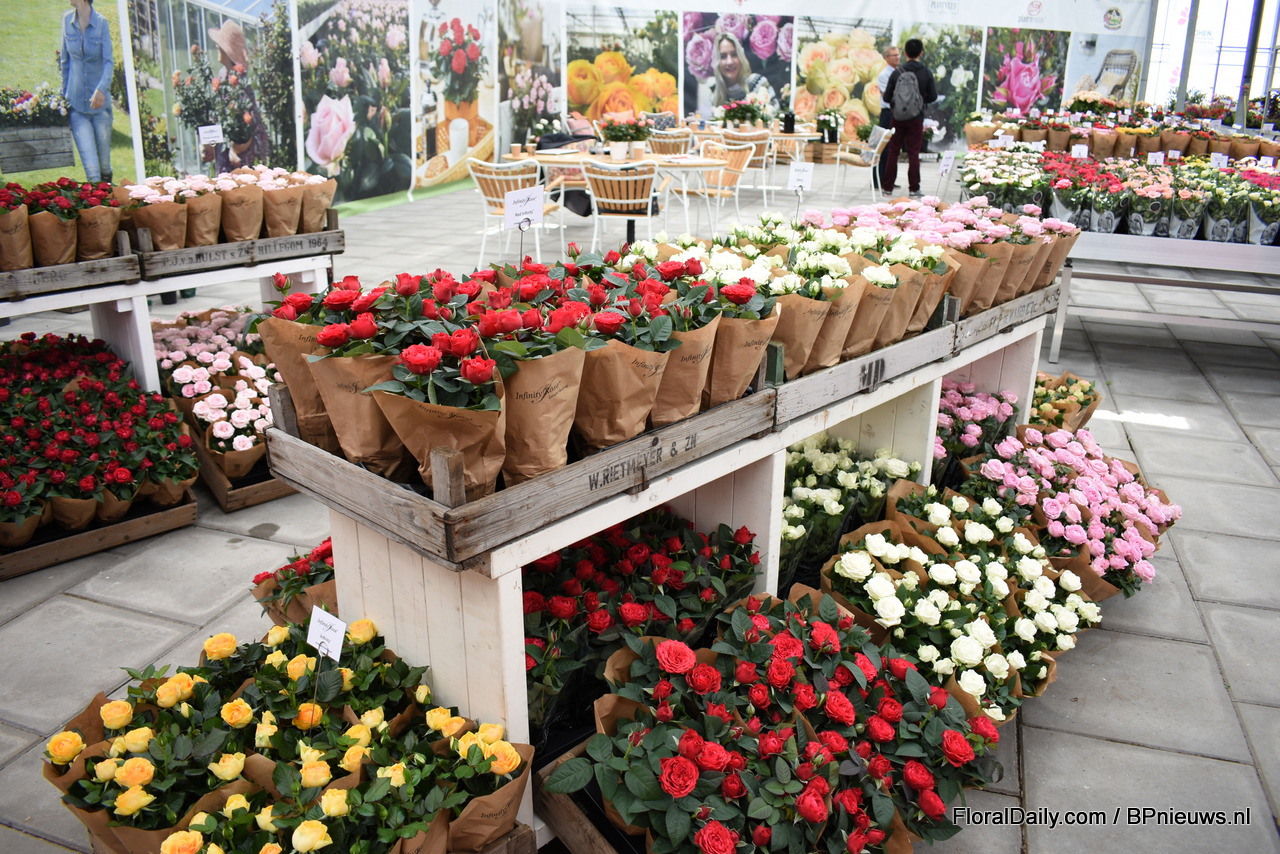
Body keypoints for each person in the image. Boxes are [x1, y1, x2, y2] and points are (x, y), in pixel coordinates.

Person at [60, 0, 114, 183]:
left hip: (100, 109)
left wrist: (102, 89)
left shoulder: (101, 23)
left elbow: (108, 62)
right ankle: (97, 198)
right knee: (92, 172)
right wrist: (64, 99)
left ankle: (109, 199)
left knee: (104, 167)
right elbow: (65, 62)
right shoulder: (67, 21)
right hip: (77, 107)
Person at [207, 20, 270, 171]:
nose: (217, 47)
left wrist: (236, 149)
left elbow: (249, 123)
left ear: (226, 51)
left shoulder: (240, 82)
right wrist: (208, 145)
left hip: (241, 155)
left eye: (219, 45)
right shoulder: (222, 75)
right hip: (225, 151)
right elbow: (218, 116)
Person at [881, 38, 937, 197]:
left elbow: (886, 98)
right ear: (921, 53)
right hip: (916, 118)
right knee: (913, 153)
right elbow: (933, 96)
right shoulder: (926, 72)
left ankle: (887, 187)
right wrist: (919, 101)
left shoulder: (897, 72)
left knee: (893, 151)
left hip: (897, 118)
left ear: (905, 53)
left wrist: (898, 103)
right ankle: (914, 188)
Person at [711, 32, 778, 112]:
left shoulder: (758, 83)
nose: (729, 62)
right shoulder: (715, 97)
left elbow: (776, 114)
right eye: (723, 56)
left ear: (741, 57)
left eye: (734, 54)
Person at [873, 45, 900, 191]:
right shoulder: (884, 75)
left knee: (894, 147)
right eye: (893, 55)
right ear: (886, 58)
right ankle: (878, 179)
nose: (897, 57)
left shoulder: (900, 72)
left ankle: (890, 179)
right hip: (888, 112)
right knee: (884, 147)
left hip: (898, 112)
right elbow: (888, 95)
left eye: (898, 54)